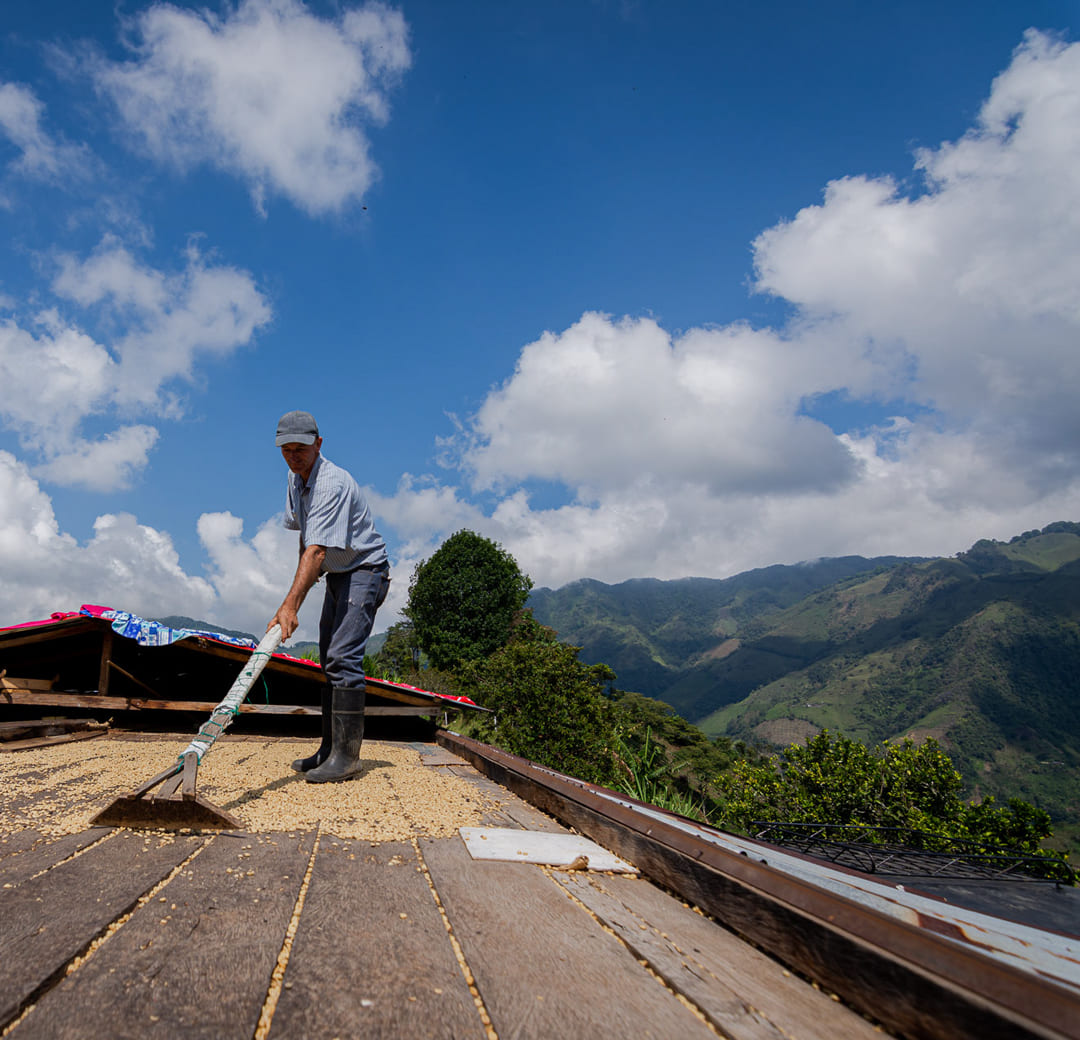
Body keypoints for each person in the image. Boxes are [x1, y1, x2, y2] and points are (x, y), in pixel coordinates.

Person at [268, 410, 390, 783]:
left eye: (300, 449)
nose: (293, 456)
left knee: (342, 657)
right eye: (286, 450)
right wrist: (298, 593)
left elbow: (317, 550)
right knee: (327, 660)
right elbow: (307, 541)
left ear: (318, 444)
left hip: (365, 572)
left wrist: (290, 605)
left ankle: (347, 757)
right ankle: (329, 749)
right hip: (337, 574)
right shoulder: (295, 478)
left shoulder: (332, 483)